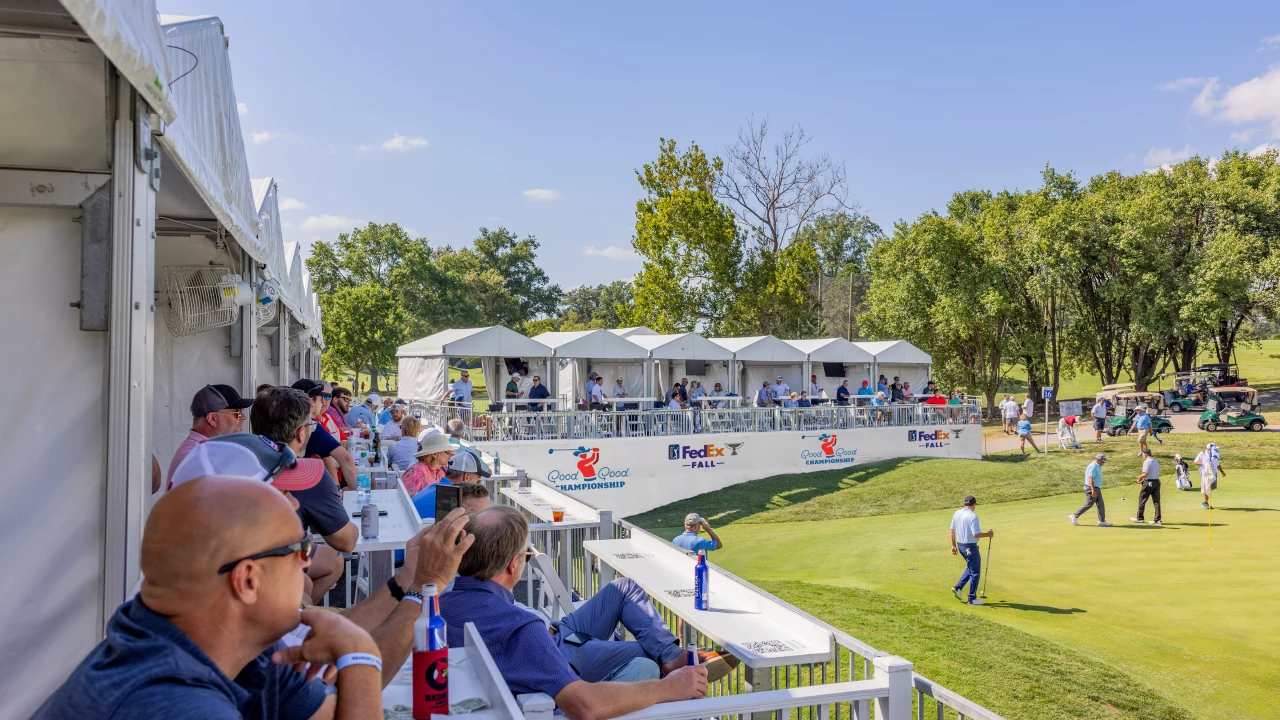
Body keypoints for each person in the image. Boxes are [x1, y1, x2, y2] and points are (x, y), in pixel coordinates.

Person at [32, 477, 383, 720]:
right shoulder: (170, 703)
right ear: (247, 579)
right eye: (301, 547)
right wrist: (361, 656)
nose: (309, 560)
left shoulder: (238, 650)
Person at [438, 507, 722, 720]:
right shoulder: (519, 628)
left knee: (623, 590)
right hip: (551, 654)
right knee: (647, 664)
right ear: (513, 565)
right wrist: (669, 689)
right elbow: (584, 705)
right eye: (525, 555)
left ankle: (671, 657)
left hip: (551, 635)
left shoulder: (438, 606)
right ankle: (672, 664)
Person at [252, 386, 359, 603]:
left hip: (221, 575)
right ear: (302, 433)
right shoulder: (306, 474)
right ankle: (300, 625)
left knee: (313, 576)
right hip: (266, 586)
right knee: (305, 587)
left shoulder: (227, 460)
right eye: (311, 424)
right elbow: (346, 542)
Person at [166, 384, 254, 489]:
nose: (243, 417)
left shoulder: (204, 450)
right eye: (238, 413)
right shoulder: (197, 457)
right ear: (212, 419)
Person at [292, 379, 358, 489]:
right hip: (311, 485)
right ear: (311, 401)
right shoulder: (310, 426)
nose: (323, 402)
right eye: (320, 398)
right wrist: (336, 488)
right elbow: (343, 457)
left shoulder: (281, 421)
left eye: (327, 397)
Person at [412, 448, 491, 519]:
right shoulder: (450, 498)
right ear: (466, 476)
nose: (477, 483)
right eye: (477, 479)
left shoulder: (433, 488)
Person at [949, 495, 993, 606]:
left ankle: (958, 587)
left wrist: (953, 546)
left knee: (971, 567)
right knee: (975, 572)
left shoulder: (957, 513)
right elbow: (975, 534)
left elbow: (952, 531)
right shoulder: (973, 516)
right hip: (970, 547)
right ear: (974, 505)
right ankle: (972, 599)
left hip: (961, 546)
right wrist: (988, 534)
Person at [1070, 453, 1113, 526]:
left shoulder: (1098, 465)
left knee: (1100, 504)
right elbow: (1090, 478)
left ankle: (1102, 521)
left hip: (1096, 488)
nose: (1104, 462)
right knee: (1089, 504)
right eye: (1103, 461)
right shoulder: (1093, 466)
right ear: (1098, 459)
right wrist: (1093, 490)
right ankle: (1074, 516)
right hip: (1090, 488)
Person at [1131, 448, 1162, 525]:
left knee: (1142, 499)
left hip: (1149, 482)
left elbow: (1145, 474)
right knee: (1156, 501)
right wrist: (1143, 479)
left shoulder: (1147, 462)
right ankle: (1157, 519)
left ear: (1145, 455)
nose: (1142, 456)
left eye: (1142, 455)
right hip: (1156, 482)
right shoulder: (1155, 461)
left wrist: (1140, 477)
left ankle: (1140, 518)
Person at [1193, 442, 1224, 509]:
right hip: (1206, 474)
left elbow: (1217, 464)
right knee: (1206, 487)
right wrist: (1204, 464)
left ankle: (1206, 501)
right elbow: (1195, 462)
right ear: (1209, 449)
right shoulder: (1203, 453)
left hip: (1214, 474)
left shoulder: (1215, 455)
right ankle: (1205, 502)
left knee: (1210, 488)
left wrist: (1222, 472)